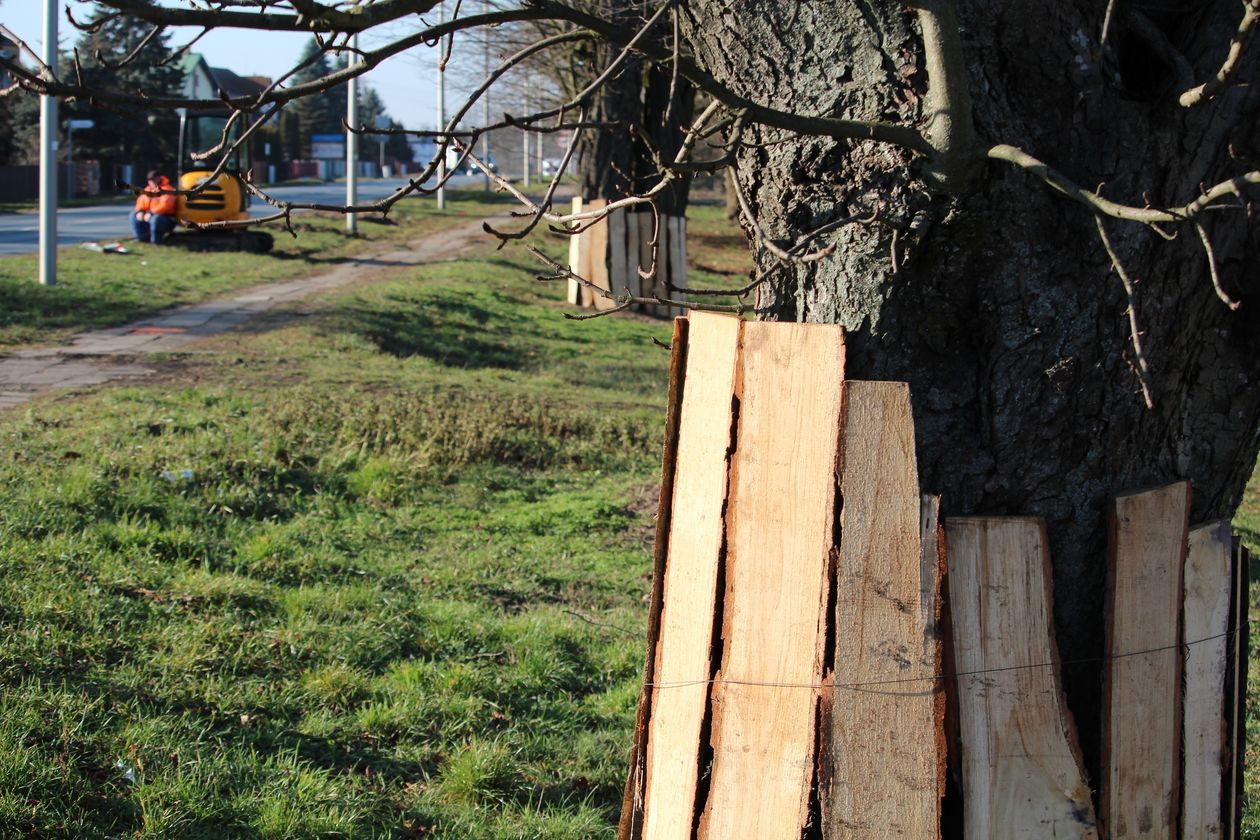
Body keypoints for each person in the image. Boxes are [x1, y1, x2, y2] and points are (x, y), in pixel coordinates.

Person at [132, 170, 178, 244]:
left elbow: (166, 206)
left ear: (159, 178)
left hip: (166, 218)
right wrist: (139, 211)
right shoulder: (147, 189)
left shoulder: (167, 189)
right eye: (149, 179)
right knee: (133, 215)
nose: (151, 181)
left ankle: (156, 241)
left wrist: (151, 213)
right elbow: (140, 202)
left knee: (155, 219)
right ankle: (141, 238)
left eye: (153, 179)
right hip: (149, 215)